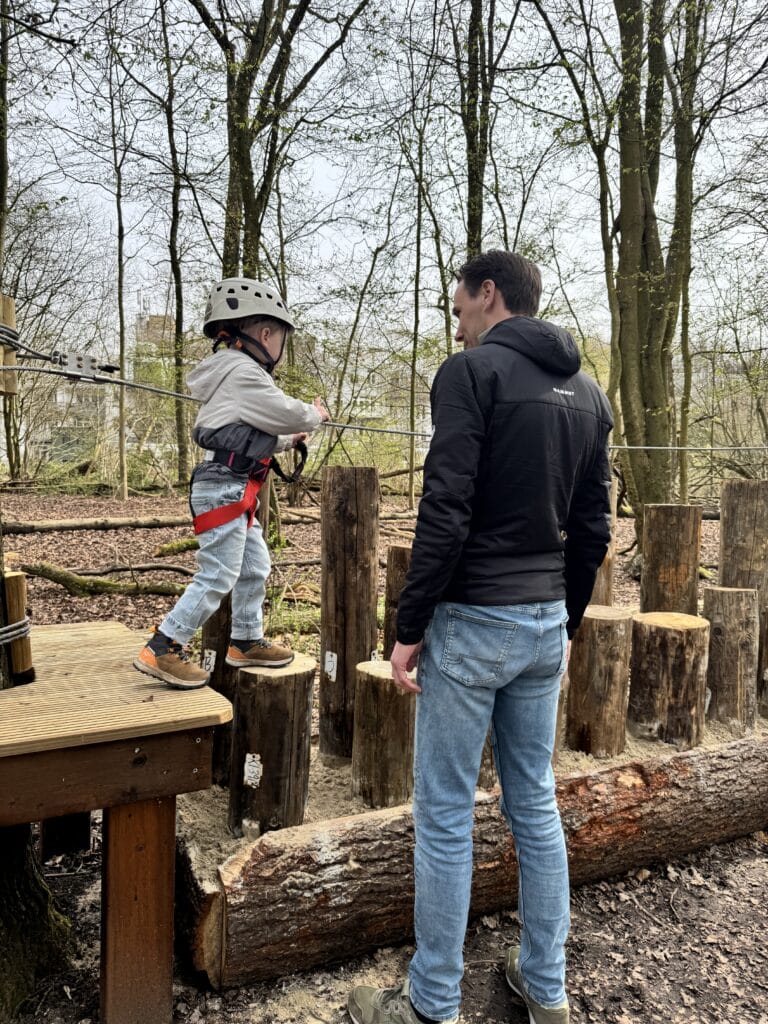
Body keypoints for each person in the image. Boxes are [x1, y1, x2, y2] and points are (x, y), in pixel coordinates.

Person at [347, 251, 612, 1024]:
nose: (454, 318)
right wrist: (568, 618)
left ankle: (430, 1005)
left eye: (457, 302)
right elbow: (593, 526)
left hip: (472, 624)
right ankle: (545, 987)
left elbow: (447, 507)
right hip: (540, 628)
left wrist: (409, 624)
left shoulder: (469, 376)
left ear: (488, 293)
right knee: (534, 802)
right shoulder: (590, 393)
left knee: (445, 815)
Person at [134, 277, 330, 690]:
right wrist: (312, 416)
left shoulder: (232, 375)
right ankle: (165, 645)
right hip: (224, 486)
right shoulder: (244, 373)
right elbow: (285, 412)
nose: (280, 347)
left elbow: (247, 433)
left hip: (232, 485)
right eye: (280, 337)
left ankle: (245, 638)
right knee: (219, 572)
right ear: (264, 334)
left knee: (255, 565)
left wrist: (289, 441)